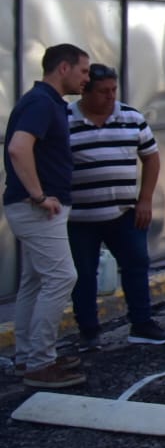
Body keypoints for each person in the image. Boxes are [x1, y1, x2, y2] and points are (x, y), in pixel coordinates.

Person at [67, 63, 165, 350]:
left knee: (137, 265)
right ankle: (88, 331)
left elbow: (151, 157)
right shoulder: (65, 120)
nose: (110, 96)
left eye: (113, 90)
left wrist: (146, 199)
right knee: (83, 275)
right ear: (85, 92)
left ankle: (142, 323)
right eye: (103, 91)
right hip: (79, 217)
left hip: (124, 213)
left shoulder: (131, 117)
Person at [3, 44, 91, 389]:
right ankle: (41, 362)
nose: (87, 78)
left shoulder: (47, 102)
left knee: (35, 282)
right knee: (61, 278)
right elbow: (18, 148)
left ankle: (28, 356)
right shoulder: (42, 102)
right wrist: (39, 195)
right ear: (64, 68)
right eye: (83, 71)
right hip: (35, 207)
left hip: (32, 207)